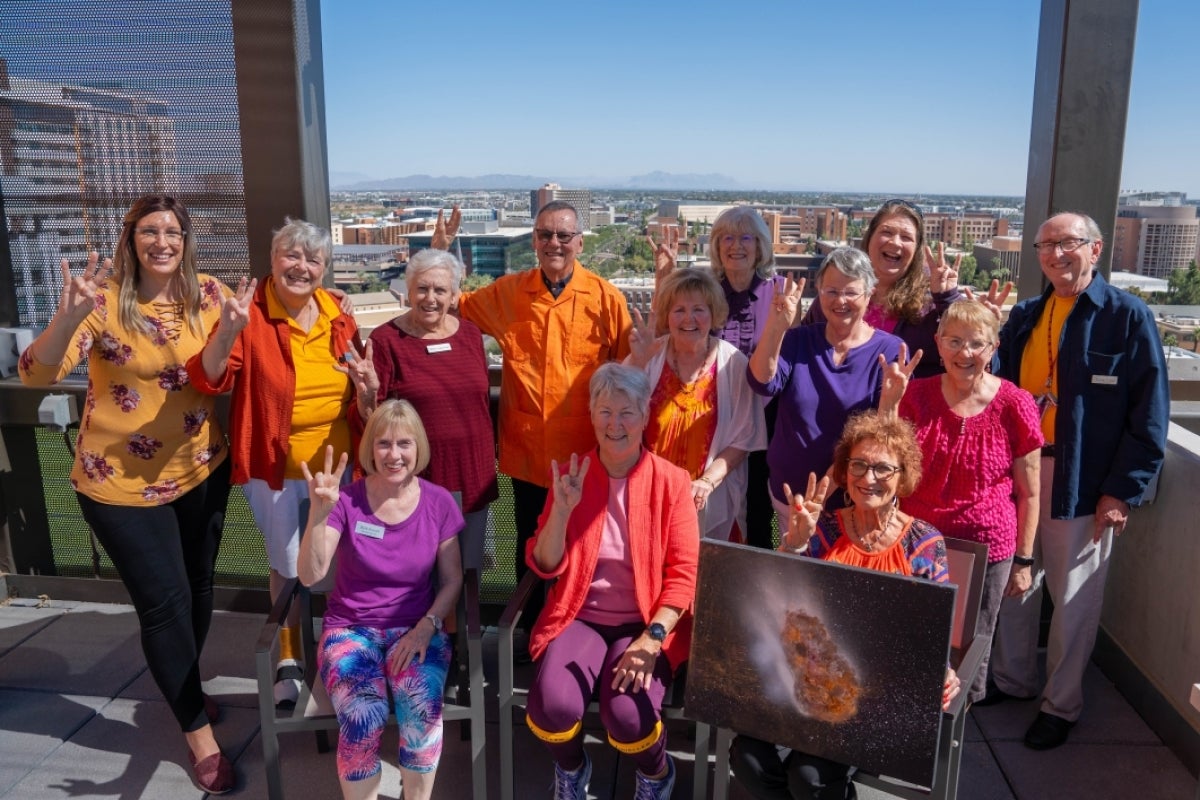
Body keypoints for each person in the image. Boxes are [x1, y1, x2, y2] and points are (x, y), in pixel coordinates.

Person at [19, 195, 236, 793]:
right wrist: (66, 317)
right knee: (164, 604)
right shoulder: (104, 299)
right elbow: (37, 373)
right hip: (116, 482)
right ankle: (198, 735)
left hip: (200, 467)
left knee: (197, 590)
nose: (162, 241)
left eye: (172, 230)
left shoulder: (211, 295)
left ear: (187, 238)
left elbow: (230, 366)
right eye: (149, 231)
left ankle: (184, 686)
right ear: (131, 238)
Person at [986, 212, 1169, 750]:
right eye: (1045, 245)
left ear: (1095, 249)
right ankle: (1012, 680)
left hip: (1084, 478)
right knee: (1016, 583)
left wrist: (1122, 490)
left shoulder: (1127, 317)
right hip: (1020, 471)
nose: (1055, 254)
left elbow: (1149, 413)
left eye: (1068, 243)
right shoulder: (1025, 315)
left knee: (1074, 599)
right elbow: (996, 383)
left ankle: (1060, 706)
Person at [185, 218, 377, 707]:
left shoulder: (337, 310)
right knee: (288, 564)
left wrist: (366, 389)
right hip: (274, 468)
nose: (301, 266)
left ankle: (338, 654)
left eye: (313, 259)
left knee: (336, 564)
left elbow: (359, 384)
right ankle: (289, 658)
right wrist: (227, 332)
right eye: (291, 255)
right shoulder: (248, 313)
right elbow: (211, 379)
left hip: (337, 470)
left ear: (324, 269)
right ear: (272, 260)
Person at [731, 413, 960, 800]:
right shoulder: (825, 529)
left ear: (902, 476)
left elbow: (932, 627)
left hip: (876, 698)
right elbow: (781, 600)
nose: (868, 478)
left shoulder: (923, 543)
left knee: (809, 777)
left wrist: (945, 667)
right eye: (859, 465)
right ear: (844, 470)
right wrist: (795, 545)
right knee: (747, 756)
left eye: (883, 468)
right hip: (806, 683)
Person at [524, 363, 698, 800]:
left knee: (628, 716)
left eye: (627, 412)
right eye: (604, 411)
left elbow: (684, 574)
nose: (614, 424)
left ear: (644, 416)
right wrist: (562, 511)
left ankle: (656, 774)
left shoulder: (672, 482)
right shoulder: (571, 473)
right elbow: (545, 564)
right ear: (591, 415)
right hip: (580, 616)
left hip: (643, 623)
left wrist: (652, 639)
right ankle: (572, 767)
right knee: (553, 706)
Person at [455, 200, 632, 629]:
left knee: (587, 541)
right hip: (528, 450)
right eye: (545, 235)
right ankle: (531, 630)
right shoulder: (508, 293)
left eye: (563, 235)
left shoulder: (606, 300)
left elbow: (632, 371)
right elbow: (451, 306)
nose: (554, 243)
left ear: (580, 243)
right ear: (533, 240)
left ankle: (579, 629)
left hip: (587, 454)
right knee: (529, 546)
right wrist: (441, 255)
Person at [879, 299, 1043, 704]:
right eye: (954, 341)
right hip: (918, 542)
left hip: (988, 550)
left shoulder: (1015, 403)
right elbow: (881, 463)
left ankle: (956, 741)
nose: (964, 353)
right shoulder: (914, 395)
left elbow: (1031, 491)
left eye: (976, 343)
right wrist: (889, 404)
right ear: (937, 343)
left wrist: (1023, 561)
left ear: (994, 348)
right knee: (909, 640)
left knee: (971, 650)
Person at [297, 400, 463, 800]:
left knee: (421, 710)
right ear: (370, 448)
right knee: (362, 715)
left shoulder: (439, 502)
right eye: (384, 444)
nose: (394, 455)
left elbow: (452, 579)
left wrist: (428, 626)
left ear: (418, 447)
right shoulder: (347, 501)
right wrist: (319, 515)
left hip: (417, 628)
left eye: (404, 443)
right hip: (350, 631)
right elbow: (310, 575)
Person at [648, 207, 785, 549]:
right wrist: (663, 275)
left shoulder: (780, 293)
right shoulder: (708, 291)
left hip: (763, 425)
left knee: (753, 523)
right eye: (727, 237)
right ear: (716, 245)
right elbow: (670, 323)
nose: (736, 246)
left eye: (745, 237)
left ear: (760, 246)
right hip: (709, 420)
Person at [363, 248, 497, 570]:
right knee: (420, 574)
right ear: (408, 291)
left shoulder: (470, 334)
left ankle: (464, 625)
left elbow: (478, 398)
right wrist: (366, 394)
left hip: (473, 475)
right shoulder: (385, 341)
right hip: (417, 480)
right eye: (422, 288)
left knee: (468, 575)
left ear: (454, 295)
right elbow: (373, 420)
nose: (430, 298)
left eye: (440, 290)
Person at [748, 247, 902, 526]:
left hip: (852, 505)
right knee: (789, 566)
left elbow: (881, 437)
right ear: (818, 292)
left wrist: (822, 493)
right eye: (831, 291)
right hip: (788, 500)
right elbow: (762, 381)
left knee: (839, 571)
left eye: (851, 292)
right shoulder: (797, 340)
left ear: (869, 294)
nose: (840, 300)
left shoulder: (889, 351)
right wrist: (775, 327)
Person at [628, 266, 766, 540]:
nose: (688, 318)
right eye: (678, 310)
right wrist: (637, 363)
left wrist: (706, 482)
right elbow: (617, 416)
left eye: (699, 309)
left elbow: (744, 438)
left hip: (711, 500)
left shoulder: (733, 363)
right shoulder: (650, 355)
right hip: (650, 496)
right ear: (667, 316)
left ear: (714, 314)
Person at [804, 199, 963, 378]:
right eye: (886, 232)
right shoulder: (836, 292)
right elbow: (802, 352)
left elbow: (974, 358)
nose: (895, 243)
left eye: (906, 237)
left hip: (905, 403)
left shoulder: (933, 301)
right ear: (869, 237)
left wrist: (947, 299)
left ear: (917, 249)